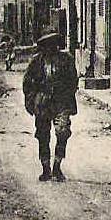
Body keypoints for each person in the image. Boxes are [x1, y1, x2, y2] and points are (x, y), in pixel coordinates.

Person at [22, 27, 78, 182]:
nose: (51, 46)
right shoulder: (36, 61)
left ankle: (57, 166)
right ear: (43, 45)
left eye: (53, 43)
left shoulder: (66, 59)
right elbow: (27, 83)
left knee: (63, 132)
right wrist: (32, 100)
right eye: (47, 43)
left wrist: (66, 95)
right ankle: (45, 168)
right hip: (42, 103)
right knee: (42, 135)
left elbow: (73, 80)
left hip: (61, 102)